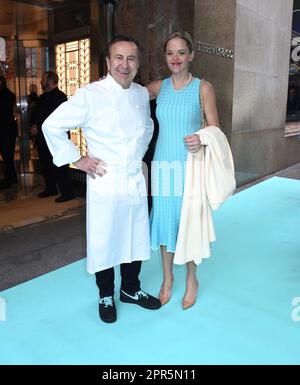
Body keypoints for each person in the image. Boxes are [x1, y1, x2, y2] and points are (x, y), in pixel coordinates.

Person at [42, 35, 161, 323]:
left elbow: (147, 126)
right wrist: (78, 159)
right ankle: (105, 293)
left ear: (138, 63)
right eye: (118, 58)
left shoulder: (140, 94)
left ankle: (131, 289)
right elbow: (52, 125)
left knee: (135, 236)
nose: (125, 64)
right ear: (108, 62)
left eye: (131, 58)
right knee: (104, 240)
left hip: (133, 179)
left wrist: (138, 155)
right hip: (105, 179)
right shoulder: (90, 94)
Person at [146, 31, 220, 310]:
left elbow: (215, 129)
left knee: (187, 225)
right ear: (165, 57)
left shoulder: (203, 88)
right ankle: (167, 280)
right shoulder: (159, 87)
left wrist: (201, 138)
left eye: (180, 53)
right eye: (169, 53)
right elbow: (128, 89)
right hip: (163, 166)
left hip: (189, 167)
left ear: (191, 55)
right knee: (165, 222)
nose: (175, 58)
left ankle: (192, 279)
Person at [30, 71, 75, 202]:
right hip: (43, 137)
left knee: (60, 165)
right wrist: (33, 124)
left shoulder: (60, 97)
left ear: (49, 81)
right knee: (46, 163)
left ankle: (68, 192)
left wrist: (37, 125)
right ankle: (51, 188)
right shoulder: (42, 97)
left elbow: (52, 116)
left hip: (56, 138)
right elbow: (36, 113)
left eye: (43, 80)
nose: (41, 82)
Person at [0, 75, 18, 189]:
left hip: (4, 129)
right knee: (8, 155)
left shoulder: (4, 96)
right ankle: (12, 177)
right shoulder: (11, 95)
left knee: (6, 155)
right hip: (9, 129)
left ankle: (9, 179)